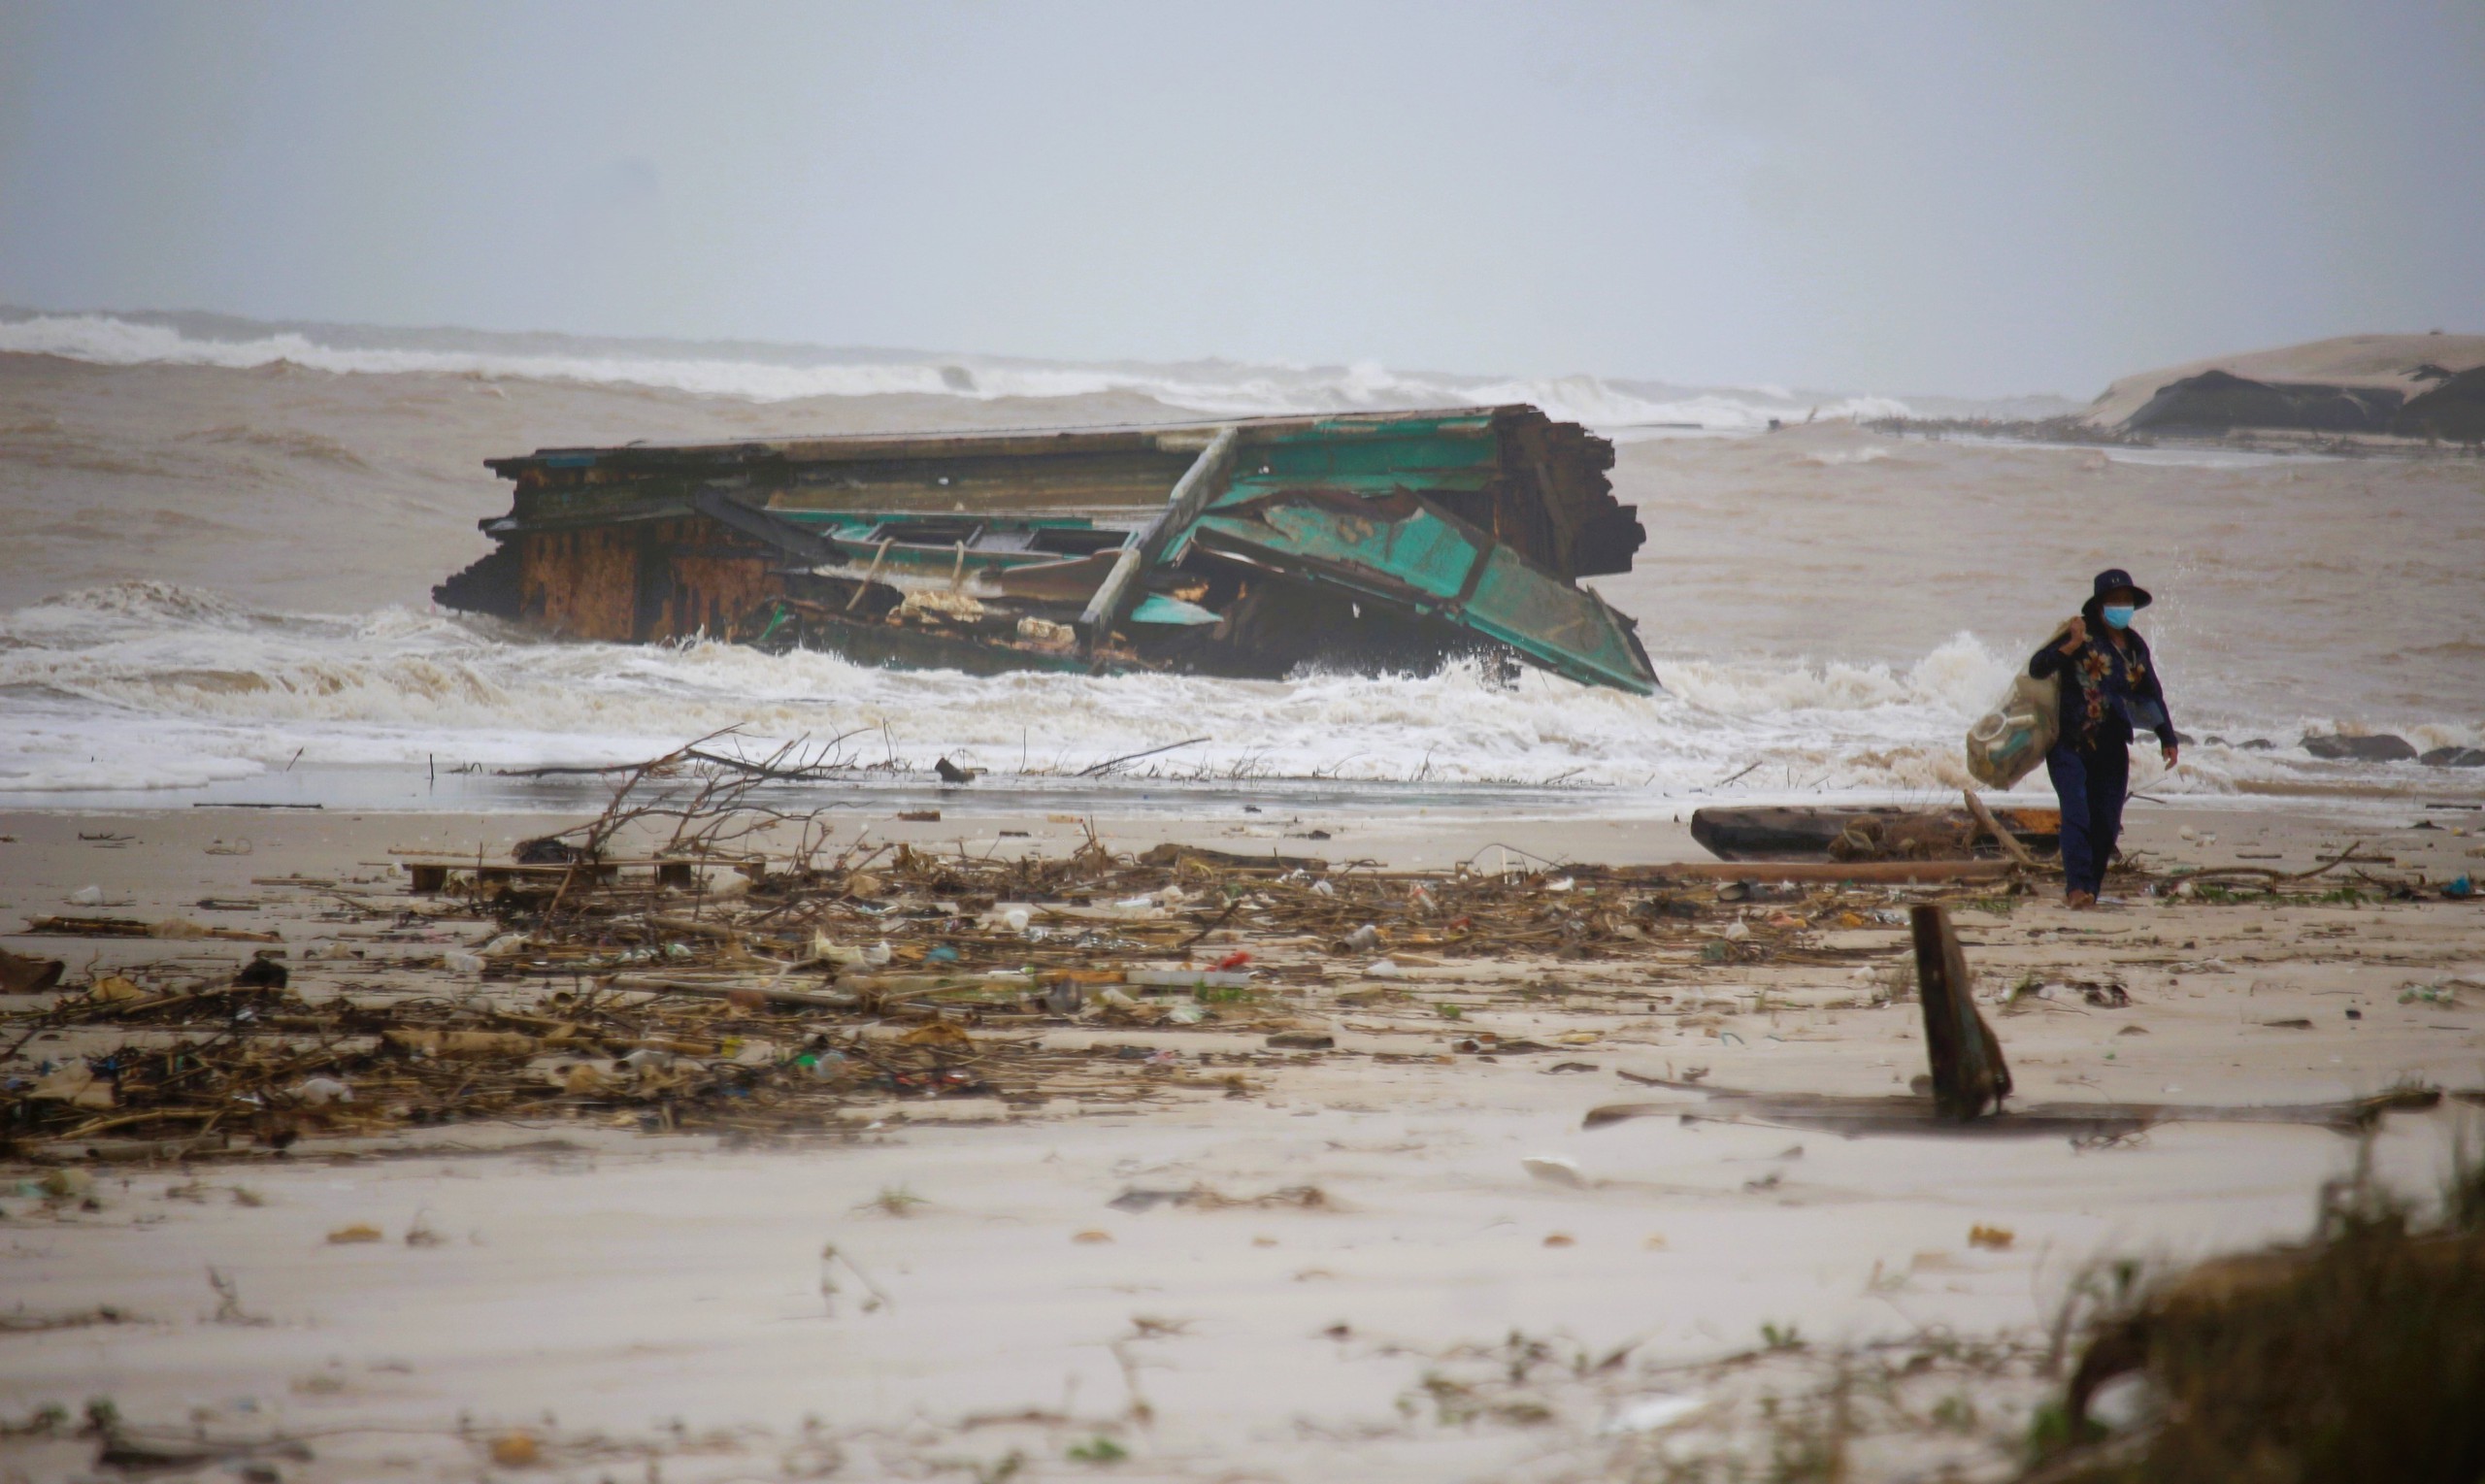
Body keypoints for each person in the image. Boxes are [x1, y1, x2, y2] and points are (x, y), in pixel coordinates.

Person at [2028, 569, 2177, 908]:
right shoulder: (2078, 633)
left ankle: (2091, 889)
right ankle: (2075, 889)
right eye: (2114, 601)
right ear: (2098, 606)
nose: (2121, 607)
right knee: (2076, 814)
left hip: (2111, 747)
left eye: (2126, 601)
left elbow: (2151, 692)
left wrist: (2166, 736)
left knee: (2107, 825)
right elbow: (2038, 667)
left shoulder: (2135, 647)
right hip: (2069, 744)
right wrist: (2071, 646)